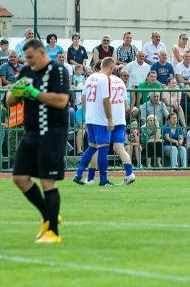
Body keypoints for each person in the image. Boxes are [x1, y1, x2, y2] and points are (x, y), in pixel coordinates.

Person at [8, 39, 71, 244]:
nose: (28, 62)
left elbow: (62, 101)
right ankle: (48, 215)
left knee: (47, 181)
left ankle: (53, 232)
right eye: (26, 58)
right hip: (31, 132)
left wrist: (34, 93)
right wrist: (17, 91)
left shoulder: (58, 70)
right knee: (19, 177)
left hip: (52, 132)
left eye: (30, 58)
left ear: (42, 52)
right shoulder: (26, 71)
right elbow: (9, 101)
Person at [74, 57, 135, 186]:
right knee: (107, 148)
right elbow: (110, 100)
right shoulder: (113, 81)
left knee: (93, 147)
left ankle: (84, 176)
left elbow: (84, 98)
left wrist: (86, 115)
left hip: (91, 117)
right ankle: (108, 178)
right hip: (108, 119)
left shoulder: (90, 78)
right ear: (113, 68)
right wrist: (109, 119)